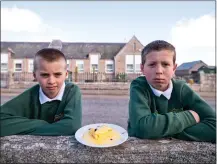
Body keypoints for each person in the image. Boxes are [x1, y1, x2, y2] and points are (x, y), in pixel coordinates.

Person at [127, 40, 216, 143]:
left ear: (174, 68)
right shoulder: (139, 86)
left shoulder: (181, 89)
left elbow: (214, 126)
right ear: (142, 68)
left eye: (165, 64)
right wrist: (189, 117)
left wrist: (156, 131)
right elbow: (141, 127)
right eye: (152, 64)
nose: (159, 71)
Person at [1, 48, 82, 136]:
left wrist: (26, 128)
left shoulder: (72, 91)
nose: (51, 81)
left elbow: (72, 127)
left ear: (66, 74)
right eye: (45, 75)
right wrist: (40, 124)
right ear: (35, 75)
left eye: (57, 74)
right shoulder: (30, 96)